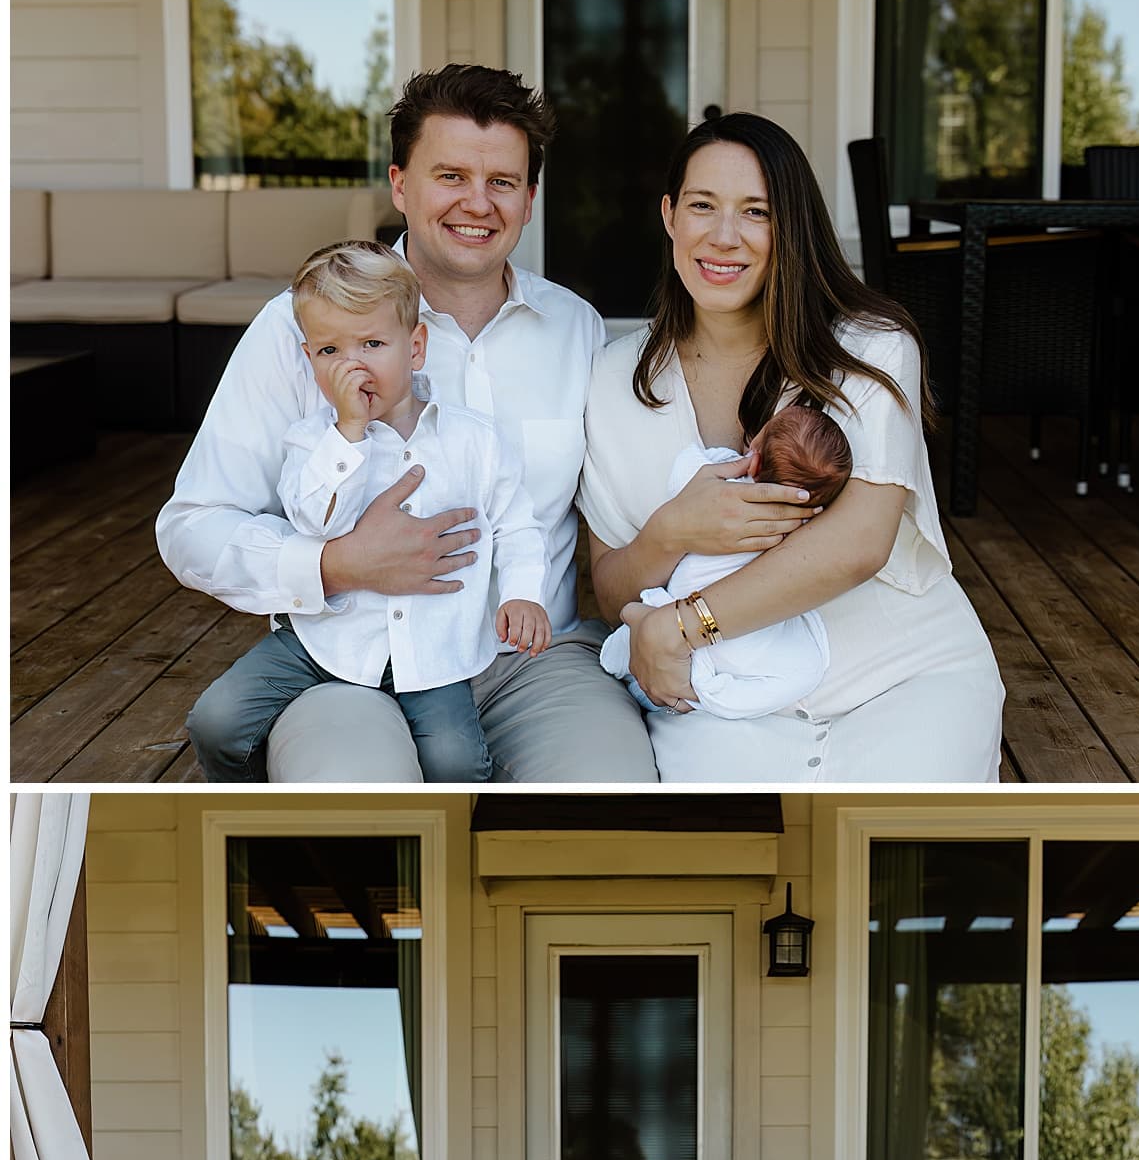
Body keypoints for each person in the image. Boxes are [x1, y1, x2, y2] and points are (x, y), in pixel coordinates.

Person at [157, 64, 658, 784]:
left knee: (612, 797)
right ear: (400, 184)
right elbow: (192, 524)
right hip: (351, 663)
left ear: (530, 198)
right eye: (449, 175)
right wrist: (333, 565)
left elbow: (621, 503)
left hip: (531, 663)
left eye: (502, 182)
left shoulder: (575, 329)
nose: (477, 204)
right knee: (360, 811)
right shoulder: (302, 329)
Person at [580, 111, 1005, 783]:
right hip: (718, 702)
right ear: (668, 216)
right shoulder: (614, 381)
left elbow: (858, 544)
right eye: (702, 206)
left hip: (902, 673)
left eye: (757, 212)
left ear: (792, 227)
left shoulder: (869, 348)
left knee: (907, 862)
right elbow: (612, 589)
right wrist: (674, 529)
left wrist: (682, 626)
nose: (725, 236)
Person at [186, 243, 549, 782]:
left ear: (416, 347)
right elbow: (315, 524)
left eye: (373, 343)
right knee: (215, 720)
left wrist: (523, 594)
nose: (352, 365)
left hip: (436, 650)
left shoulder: (474, 440)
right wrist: (348, 437)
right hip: (326, 642)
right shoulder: (311, 443)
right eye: (330, 351)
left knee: (455, 763)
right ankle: (252, 810)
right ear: (310, 361)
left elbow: (516, 526)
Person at [600, 403, 851, 732]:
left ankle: (639, 635)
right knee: (808, 667)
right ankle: (705, 692)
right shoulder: (802, 526)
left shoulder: (719, 473)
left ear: (756, 457)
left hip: (682, 598)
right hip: (740, 628)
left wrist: (721, 459)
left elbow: (683, 477)